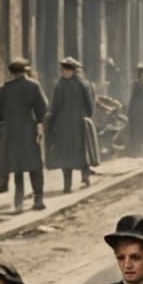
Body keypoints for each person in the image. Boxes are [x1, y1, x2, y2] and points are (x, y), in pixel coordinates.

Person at [0, 58, 49, 212]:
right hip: (29, 130)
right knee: (35, 165)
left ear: (11, 72)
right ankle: (38, 199)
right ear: (25, 71)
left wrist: (6, 119)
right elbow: (43, 107)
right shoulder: (34, 86)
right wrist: (39, 122)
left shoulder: (4, 89)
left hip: (11, 132)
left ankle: (18, 202)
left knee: (18, 167)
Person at [46, 56, 95, 194]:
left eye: (67, 69)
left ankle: (84, 177)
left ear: (73, 70)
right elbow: (56, 106)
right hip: (67, 125)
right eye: (63, 69)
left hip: (73, 124)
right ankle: (68, 185)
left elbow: (55, 107)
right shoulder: (78, 84)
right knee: (73, 153)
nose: (64, 71)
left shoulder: (71, 85)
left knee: (74, 152)